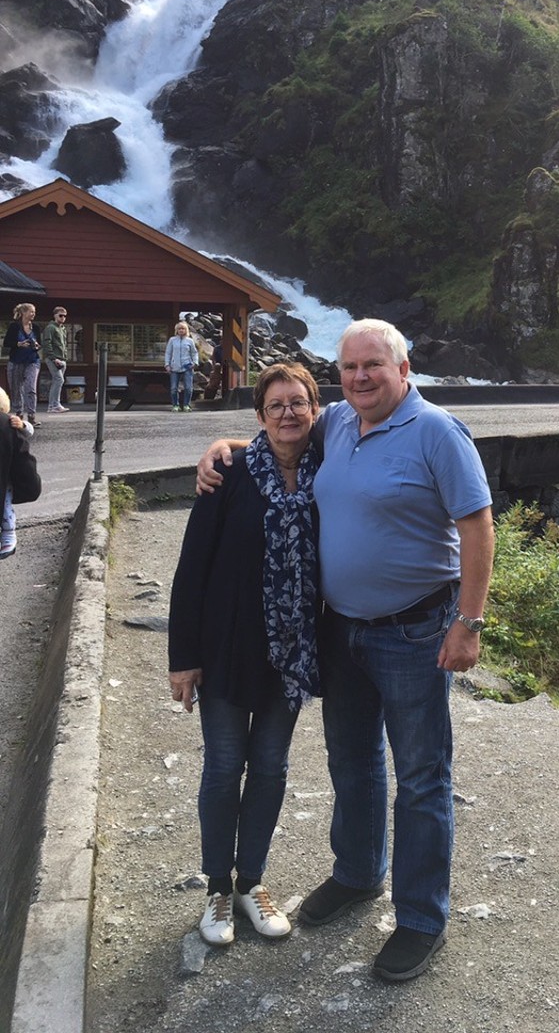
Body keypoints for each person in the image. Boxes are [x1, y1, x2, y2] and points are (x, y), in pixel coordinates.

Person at [197, 318, 494, 982]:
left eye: (374, 367)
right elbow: (284, 423)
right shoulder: (339, 422)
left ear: (403, 369)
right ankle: (358, 875)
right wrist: (226, 445)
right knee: (352, 762)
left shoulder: (437, 432)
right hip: (342, 627)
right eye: (350, 367)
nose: (360, 377)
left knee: (421, 777)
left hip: (417, 629)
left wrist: (468, 623)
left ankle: (421, 918)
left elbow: (477, 525)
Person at [170, 361, 323, 946]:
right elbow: (192, 569)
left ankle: (250, 882)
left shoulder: (327, 470)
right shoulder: (228, 474)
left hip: (290, 653)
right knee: (223, 766)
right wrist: (182, 658)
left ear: (314, 410)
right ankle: (216, 888)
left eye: (298, 403)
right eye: (276, 404)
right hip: (228, 646)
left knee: (272, 768)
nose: (288, 413)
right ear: (260, 416)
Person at [0, 385, 41, 559]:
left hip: (6, 479)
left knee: (6, 508)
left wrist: (22, 424)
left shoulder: (11, 422)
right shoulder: (6, 425)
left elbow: (29, 431)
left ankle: (9, 534)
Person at [3, 302, 42, 428]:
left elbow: (39, 343)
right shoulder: (14, 327)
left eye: (34, 312)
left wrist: (36, 345)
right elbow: (7, 343)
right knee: (16, 388)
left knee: (31, 387)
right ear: (24, 313)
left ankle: (31, 416)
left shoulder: (35, 327)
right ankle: (19, 414)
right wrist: (19, 344)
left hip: (32, 360)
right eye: (31, 311)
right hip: (16, 361)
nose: (33, 314)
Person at [41, 305, 70, 413]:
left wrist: (64, 357)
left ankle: (54, 405)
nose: (63, 318)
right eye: (60, 315)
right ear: (55, 316)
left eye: (65, 316)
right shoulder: (50, 328)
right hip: (54, 358)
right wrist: (53, 358)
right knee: (59, 379)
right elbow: (47, 343)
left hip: (62, 358)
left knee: (57, 381)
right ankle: (54, 405)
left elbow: (64, 344)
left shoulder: (63, 329)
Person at [165, 320, 199, 412]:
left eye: (183, 328)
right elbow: (168, 353)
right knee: (173, 388)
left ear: (186, 330)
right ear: (176, 330)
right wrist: (167, 365)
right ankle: (175, 405)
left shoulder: (190, 341)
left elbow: (194, 353)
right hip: (174, 367)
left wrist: (195, 363)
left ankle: (186, 405)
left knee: (188, 388)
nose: (181, 330)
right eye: (179, 329)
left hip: (187, 367)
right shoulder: (172, 340)